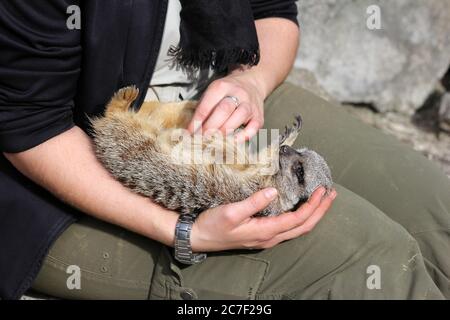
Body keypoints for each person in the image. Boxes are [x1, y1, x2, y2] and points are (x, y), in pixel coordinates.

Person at [0, 0, 449, 300]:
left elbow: (273, 13)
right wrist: (184, 232)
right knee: (374, 262)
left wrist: (249, 80)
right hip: (54, 174)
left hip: (217, 103)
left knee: (439, 217)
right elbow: (27, 125)